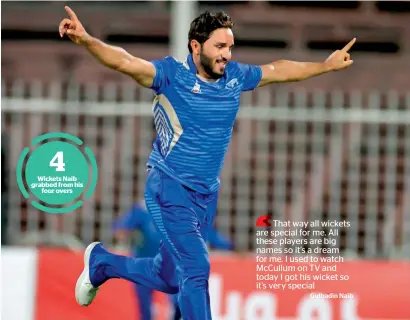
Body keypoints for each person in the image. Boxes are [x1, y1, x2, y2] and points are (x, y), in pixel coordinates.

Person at [60, 6, 355, 320]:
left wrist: (325, 66)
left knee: (170, 278)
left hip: (205, 195)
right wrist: (86, 40)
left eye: (229, 47)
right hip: (168, 186)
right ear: (195, 46)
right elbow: (123, 60)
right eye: (219, 46)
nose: (226, 54)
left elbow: (278, 69)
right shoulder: (170, 76)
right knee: (197, 269)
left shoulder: (235, 78)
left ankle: (102, 264)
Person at [112, 200, 233, 320]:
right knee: (145, 308)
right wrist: (124, 232)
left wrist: (229, 246)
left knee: (178, 301)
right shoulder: (143, 209)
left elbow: (207, 232)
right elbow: (121, 228)